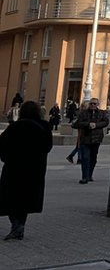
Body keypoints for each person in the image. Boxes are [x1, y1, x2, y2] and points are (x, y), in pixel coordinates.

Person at [0, 101, 53, 240]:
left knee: (12, 199)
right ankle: (20, 225)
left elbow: (2, 145)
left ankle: (16, 225)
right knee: (26, 199)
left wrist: (6, 157)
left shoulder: (15, 127)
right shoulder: (44, 127)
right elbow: (47, 147)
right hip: (35, 170)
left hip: (14, 169)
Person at [73, 98, 109, 184]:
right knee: (85, 158)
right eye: (91, 104)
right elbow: (78, 123)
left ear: (97, 105)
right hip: (85, 138)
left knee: (93, 157)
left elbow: (106, 122)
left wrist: (96, 125)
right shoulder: (83, 113)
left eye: (95, 104)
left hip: (96, 139)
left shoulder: (102, 113)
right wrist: (88, 124)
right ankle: (84, 177)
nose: (93, 105)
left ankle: (89, 174)